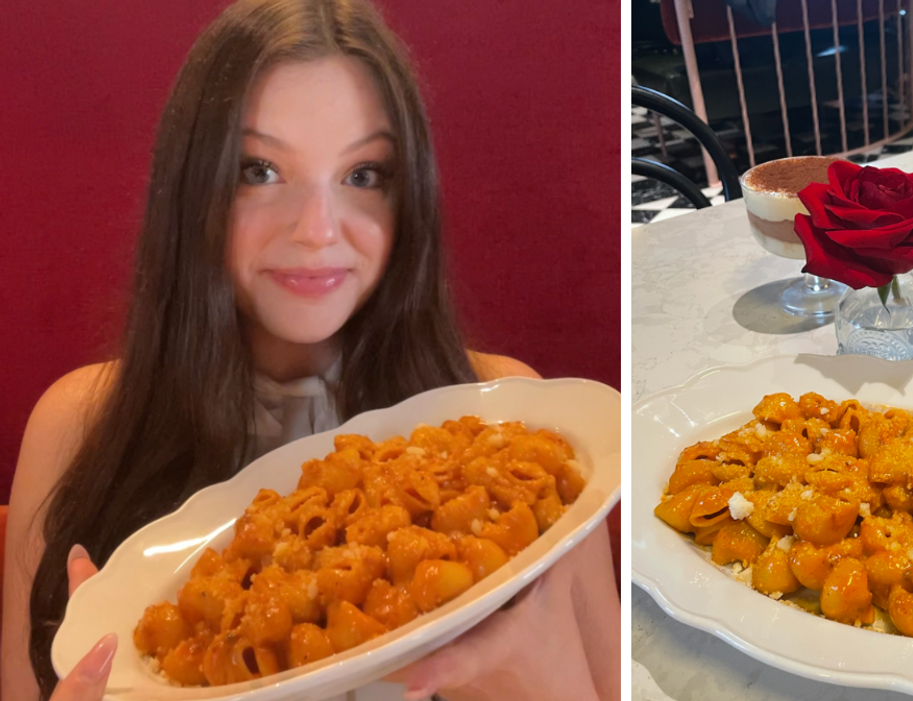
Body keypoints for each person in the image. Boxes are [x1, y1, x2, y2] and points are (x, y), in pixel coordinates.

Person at [0, 1, 620, 700]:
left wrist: (528, 675)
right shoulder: (78, 426)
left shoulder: (516, 429)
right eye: (258, 169)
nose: (318, 229)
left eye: (364, 175)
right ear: (190, 187)